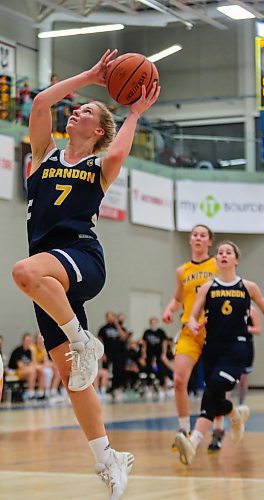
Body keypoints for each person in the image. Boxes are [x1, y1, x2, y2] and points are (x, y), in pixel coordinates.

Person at [12, 49, 160, 498]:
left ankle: (83, 340)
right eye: (78, 106)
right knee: (74, 379)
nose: (76, 108)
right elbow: (40, 105)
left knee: (22, 271)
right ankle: (108, 458)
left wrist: (133, 113)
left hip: (80, 258)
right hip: (49, 279)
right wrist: (92, 76)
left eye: (88, 110)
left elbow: (118, 150)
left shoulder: (98, 168)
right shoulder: (44, 157)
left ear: (97, 131)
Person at [174, 240, 264, 465]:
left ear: (236, 259)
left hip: (236, 348)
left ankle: (194, 442)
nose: (223, 255)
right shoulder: (207, 288)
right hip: (212, 347)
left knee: (213, 389)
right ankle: (235, 414)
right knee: (214, 395)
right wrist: (193, 324)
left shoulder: (248, 286)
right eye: (220, 252)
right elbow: (193, 315)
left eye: (228, 252)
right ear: (216, 260)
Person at [163, 224, 218, 445]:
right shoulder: (182, 271)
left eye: (203, 235)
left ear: (209, 241)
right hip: (189, 330)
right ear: (190, 240)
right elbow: (178, 298)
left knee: (216, 383)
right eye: (195, 234)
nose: (198, 238)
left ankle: (218, 430)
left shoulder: (217, 264)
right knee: (178, 380)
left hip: (213, 330)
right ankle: (184, 429)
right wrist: (169, 309)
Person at [207, 304, 262, 453]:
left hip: (245, 347)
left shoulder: (251, 310)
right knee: (223, 385)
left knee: (243, 380)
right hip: (227, 347)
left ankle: (241, 405)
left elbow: (258, 329)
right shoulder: (225, 307)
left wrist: (246, 329)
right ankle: (230, 410)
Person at [7, 333, 46, 401]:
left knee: (40, 371)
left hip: (25, 370)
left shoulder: (30, 351)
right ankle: (30, 394)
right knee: (33, 372)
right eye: (27, 341)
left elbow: (32, 364)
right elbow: (21, 366)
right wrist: (33, 367)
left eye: (30, 341)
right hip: (14, 371)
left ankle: (41, 393)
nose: (29, 342)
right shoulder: (18, 350)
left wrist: (34, 367)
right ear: (23, 341)